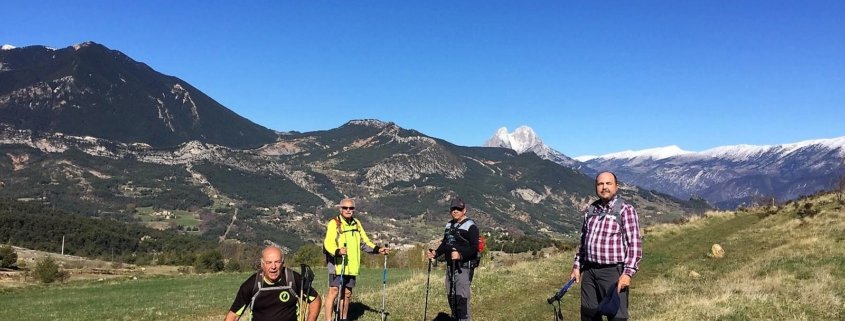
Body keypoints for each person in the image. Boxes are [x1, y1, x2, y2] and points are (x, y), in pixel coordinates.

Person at [570, 171, 643, 321]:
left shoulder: (625, 210)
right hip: (589, 272)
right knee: (589, 315)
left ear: (616, 187)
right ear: (596, 187)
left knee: (616, 316)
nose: (604, 187)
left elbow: (634, 244)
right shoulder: (591, 210)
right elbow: (583, 242)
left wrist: (628, 273)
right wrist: (577, 267)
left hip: (613, 273)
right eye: (600, 184)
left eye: (608, 183)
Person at [323, 198, 389, 321]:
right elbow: (328, 242)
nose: (348, 210)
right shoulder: (334, 223)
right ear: (340, 209)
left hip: (352, 265)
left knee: (347, 294)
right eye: (345, 208)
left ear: (354, 210)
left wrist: (377, 249)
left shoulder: (356, 223)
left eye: (351, 208)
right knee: (334, 291)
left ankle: (343, 318)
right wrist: (337, 251)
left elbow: (365, 242)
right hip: (338, 264)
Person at [225, 246, 321, 321]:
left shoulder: (292, 279)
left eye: (277, 262)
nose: (273, 267)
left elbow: (315, 300)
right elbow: (233, 316)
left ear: (282, 263)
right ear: (262, 264)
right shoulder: (251, 285)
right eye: (269, 262)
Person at [426, 196, 479, 321]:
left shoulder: (471, 226)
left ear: (464, 210)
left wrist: (460, 255)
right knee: (452, 299)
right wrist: (436, 253)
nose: (455, 211)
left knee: (461, 300)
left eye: (458, 209)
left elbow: (474, 248)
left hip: (463, 268)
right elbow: (446, 243)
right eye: (453, 209)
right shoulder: (449, 225)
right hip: (450, 267)